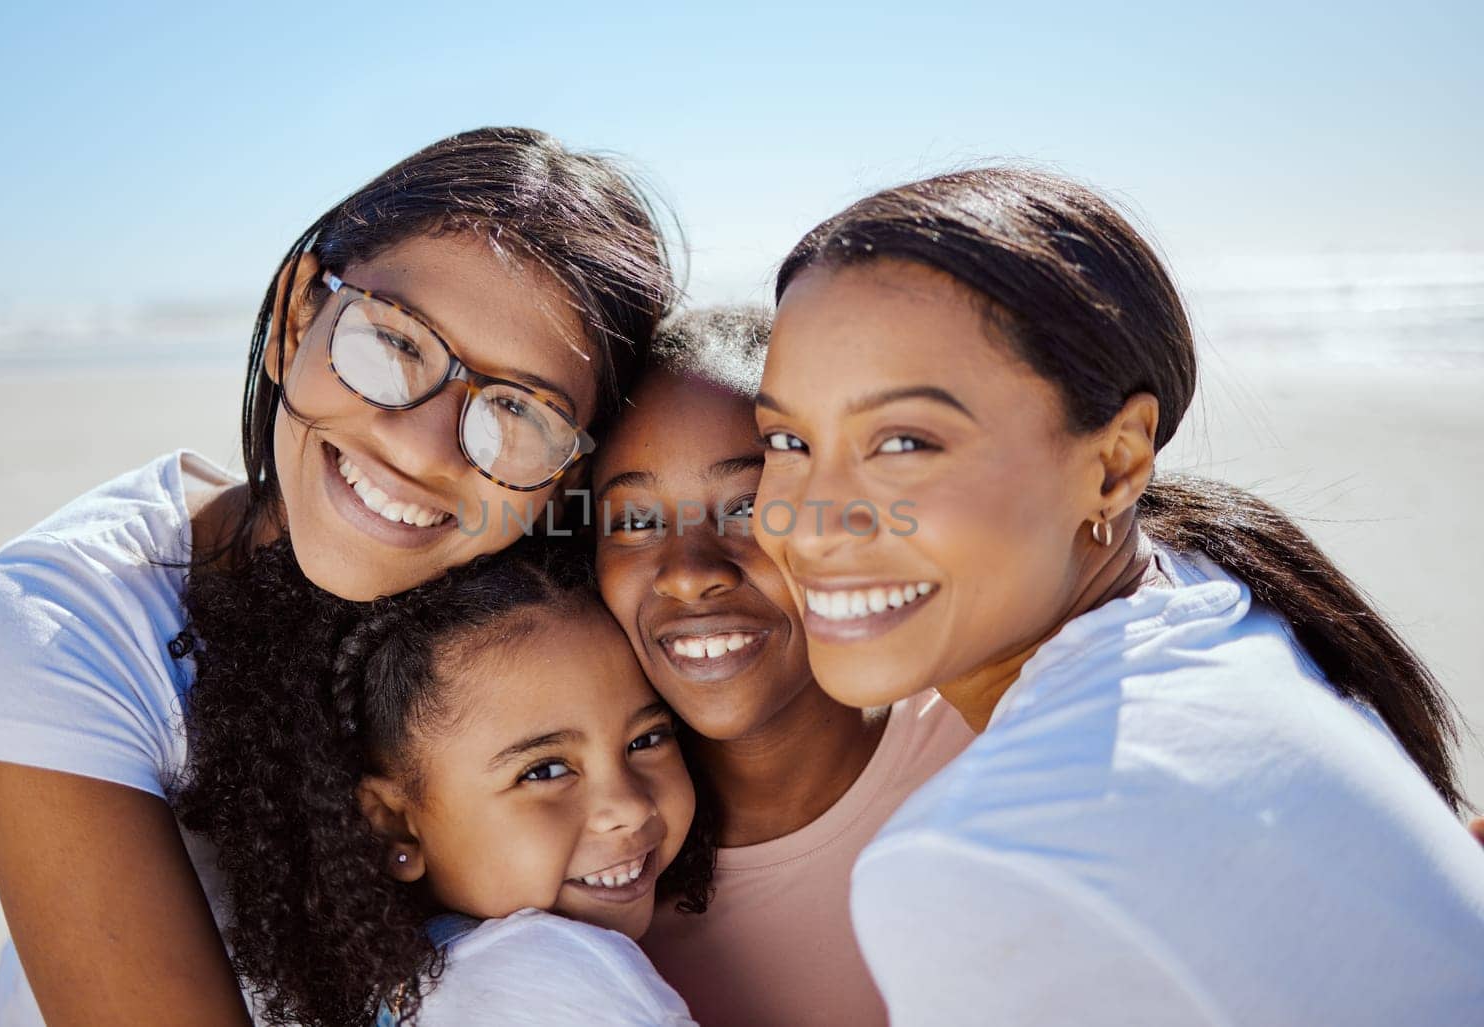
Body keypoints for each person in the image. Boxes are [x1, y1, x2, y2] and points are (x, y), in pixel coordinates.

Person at [0, 126, 675, 1026]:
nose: (419, 444)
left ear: (568, 468)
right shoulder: (61, 618)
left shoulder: (566, 602)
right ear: (297, 319)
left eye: (518, 408)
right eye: (395, 344)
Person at [752, 168, 1484, 1025]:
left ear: (1118, 462)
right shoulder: (1217, 591)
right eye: (788, 438)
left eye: (905, 441)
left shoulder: (980, 854)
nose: (807, 523)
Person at [592, 307, 974, 1025]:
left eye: (746, 506)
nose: (687, 573)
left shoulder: (988, 742)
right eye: (636, 522)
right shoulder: (600, 873)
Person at [173, 539, 703, 1027]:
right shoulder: (558, 976)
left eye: (647, 739)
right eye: (543, 771)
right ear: (396, 826)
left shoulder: (394, 991)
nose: (628, 806)